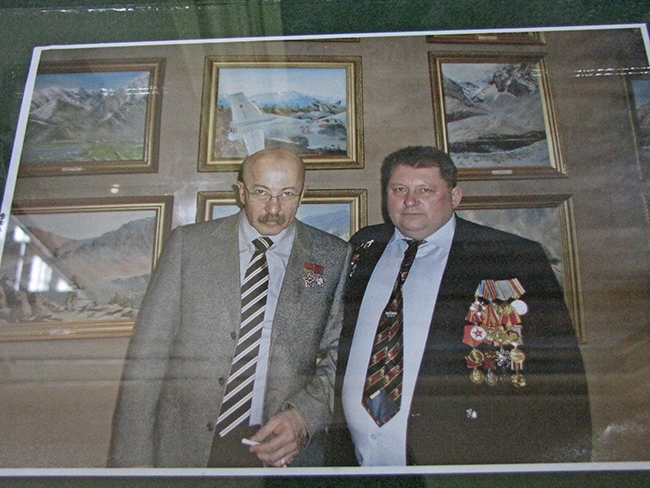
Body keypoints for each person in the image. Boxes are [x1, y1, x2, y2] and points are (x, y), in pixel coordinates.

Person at [327, 146, 591, 466]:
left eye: (425, 190)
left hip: (459, 461)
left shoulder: (512, 257)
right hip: (357, 461)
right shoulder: (364, 246)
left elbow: (561, 372)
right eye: (399, 189)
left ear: (455, 196)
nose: (410, 201)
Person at [108, 148, 350, 468]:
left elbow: (340, 356)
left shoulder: (332, 256)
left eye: (287, 194)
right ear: (241, 191)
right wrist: (132, 463)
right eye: (261, 192)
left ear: (303, 194)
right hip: (186, 443)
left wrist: (303, 417)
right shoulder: (189, 246)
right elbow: (148, 356)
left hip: (279, 446)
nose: (274, 208)